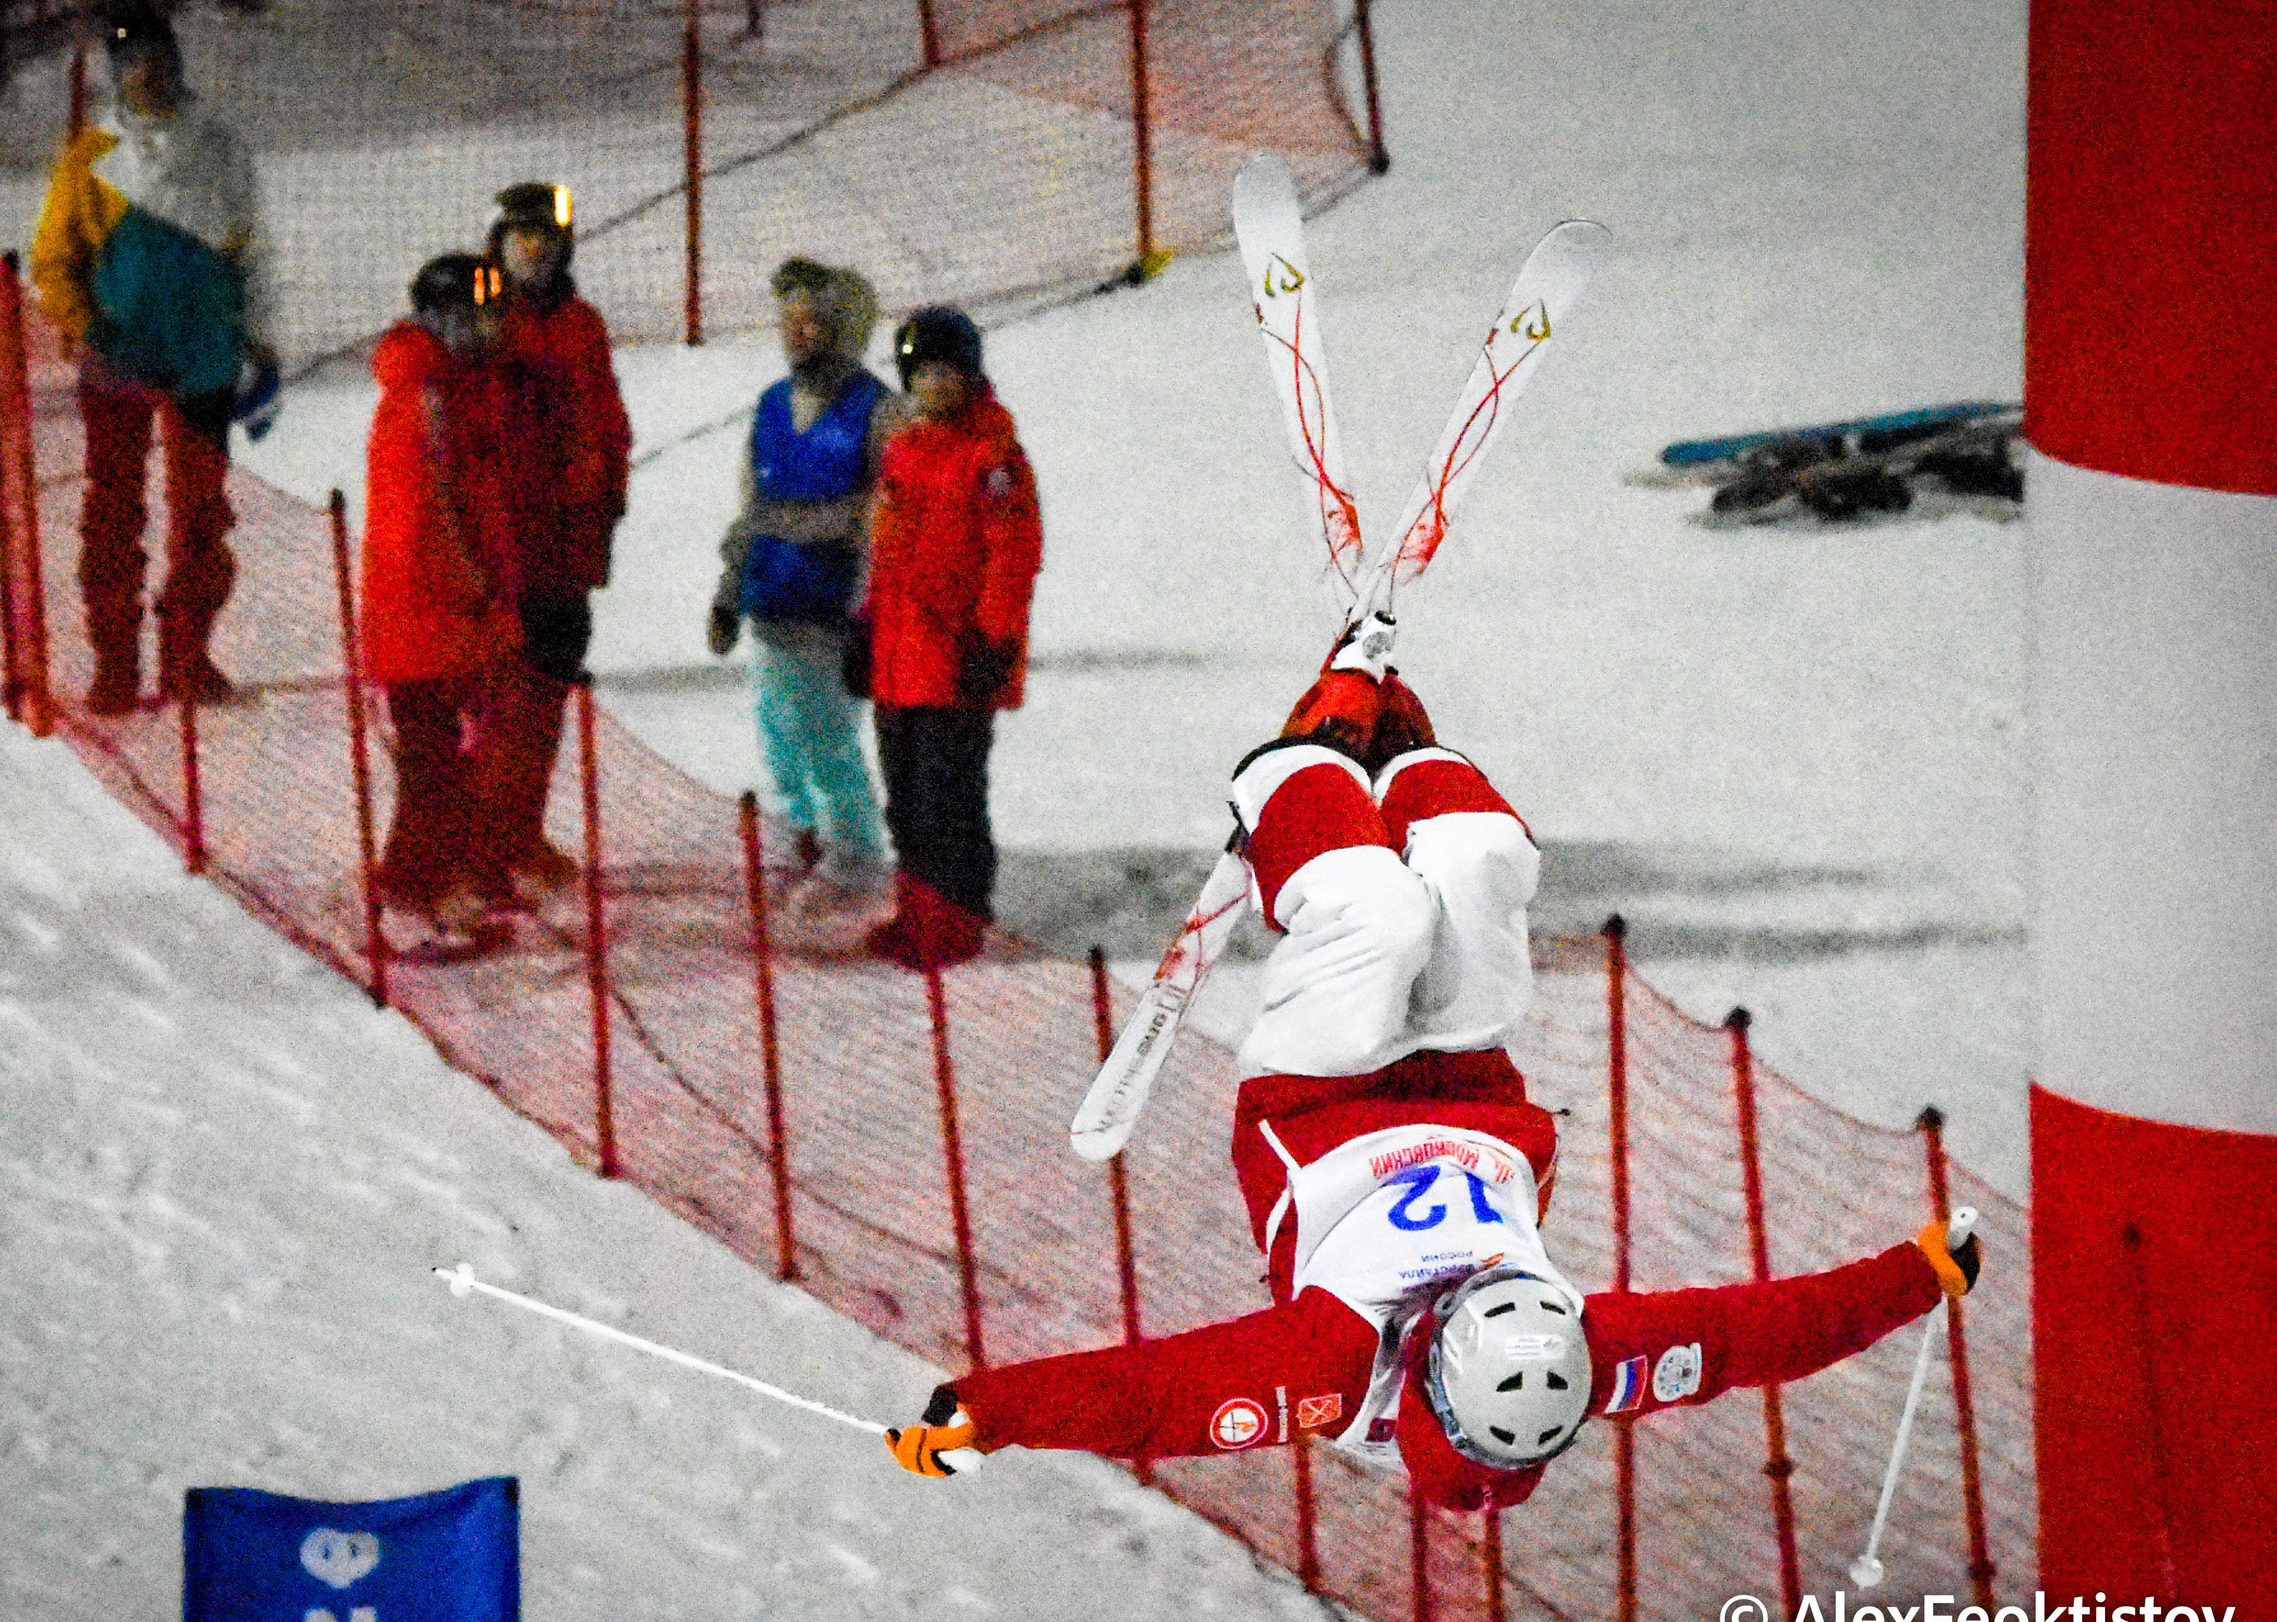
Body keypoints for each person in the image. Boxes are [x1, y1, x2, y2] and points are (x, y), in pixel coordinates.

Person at [885, 622, 1986, 1507]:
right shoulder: (1584, 1356)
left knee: (1378, 916)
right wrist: (1917, 1275)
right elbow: (1764, 1334)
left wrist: (989, 1413)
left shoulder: (1328, 1370)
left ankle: (1293, 774)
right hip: (1471, 1090)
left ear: (1432, 1371)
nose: (1478, 1292)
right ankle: (1408, 757)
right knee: (1482, 861)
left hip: (1316, 1101)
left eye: (1463, 1313)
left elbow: (1153, 1397)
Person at [30, 5, 271, 716]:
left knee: (202, 516)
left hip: (204, 364)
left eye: (159, 61)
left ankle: (186, 656)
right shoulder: (91, 156)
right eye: (134, 64)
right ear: (117, 73)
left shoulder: (218, 149)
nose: (149, 75)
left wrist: (252, 339)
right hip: (119, 365)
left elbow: (248, 253)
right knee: (113, 515)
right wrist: (90, 328)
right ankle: (116, 662)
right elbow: (53, 260)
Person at [357, 254, 535, 953]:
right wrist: (472, 588)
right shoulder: (420, 399)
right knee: (435, 766)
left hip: (450, 617)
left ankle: (431, 882)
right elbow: (421, 522)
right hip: (425, 620)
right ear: (452, 319)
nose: (499, 328)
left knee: (452, 761)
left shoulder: (455, 386)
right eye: (485, 316)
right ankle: (414, 896)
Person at [709, 257, 898, 906]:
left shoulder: (877, 412)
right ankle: (805, 836)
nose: (796, 332)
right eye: (788, 319)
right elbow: (751, 508)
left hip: (833, 607)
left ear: (843, 328)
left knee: (827, 736)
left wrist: (868, 617)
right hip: (772, 600)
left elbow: (885, 525)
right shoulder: (771, 405)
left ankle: (855, 854)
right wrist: (729, 592)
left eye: (812, 320)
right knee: (779, 734)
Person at [857, 305, 1041, 969]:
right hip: (899, 658)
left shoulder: (993, 456)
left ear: (969, 375)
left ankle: (957, 919)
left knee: (949, 798)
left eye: (946, 373)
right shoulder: (905, 450)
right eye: (922, 375)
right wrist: (865, 624)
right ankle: (917, 914)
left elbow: (1012, 555)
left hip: (956, 660)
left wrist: (993, 642)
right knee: (906, 798)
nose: (934, 386)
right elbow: (885, 549)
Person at [473, 181, 632, 904]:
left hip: (566, 546)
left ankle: (519, 831)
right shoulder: (482, 323)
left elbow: (607, 421)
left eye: (547, 238)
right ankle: (482, 843)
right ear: (499, 246)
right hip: (501, 549)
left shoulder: (581, 324)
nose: (535, 249)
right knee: (497, 705)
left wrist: (607, 500)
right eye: (522, 237)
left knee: (544, 698)